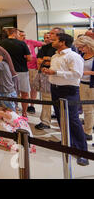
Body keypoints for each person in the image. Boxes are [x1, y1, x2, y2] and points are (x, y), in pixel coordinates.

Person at [42, 33, 89, 166]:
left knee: (73, 119)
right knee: (60, 117)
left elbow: (77, 74)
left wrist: (55, 73)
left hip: (69, 90)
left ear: (62, 42)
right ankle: (67, 142)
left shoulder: (74, 56)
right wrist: (49, 71)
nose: (51, 40)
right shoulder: (55, 56)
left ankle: (82, 151)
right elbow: (55, 71)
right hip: (55, 89)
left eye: (55, 39)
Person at [34, 27, 65, 130]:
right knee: (46, 98)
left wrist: (48, 59)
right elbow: (39, 61)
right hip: (46, 75)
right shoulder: (45, 47)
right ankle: (45, 121)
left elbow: (64, 63)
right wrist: (48, 60)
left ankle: (64, 125)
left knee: (62, 101)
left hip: (62, 78)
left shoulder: (67, 48)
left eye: (52, 34)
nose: (50, 35)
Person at [0, 28, 31, 117]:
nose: (19, 35)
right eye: (18, 33)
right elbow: (29, 58)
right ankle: (24, 113)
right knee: (24, 93)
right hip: (21, 70)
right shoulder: (22, 43)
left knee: (11, 93)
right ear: (14, 33)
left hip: (7, 72)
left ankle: (14, 112)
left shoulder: (1, 43)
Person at [18, 30, 44, 114]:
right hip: (21, 68)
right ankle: (20, 105)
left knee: (33, 87)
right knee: (22, 88)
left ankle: (32, 105)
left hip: (32, 68)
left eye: (24, 35)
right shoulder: (16, 44)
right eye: (21, 35)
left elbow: (43, 44)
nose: (24, 37)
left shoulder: (30, 42)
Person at [74, 35, 94, 141]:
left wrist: (86, 72)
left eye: (82, 47)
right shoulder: (82, 55)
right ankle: (88, 130)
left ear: (88, 45)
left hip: (92, 85)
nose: (80, 49)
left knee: (90, 110)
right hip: (82, 84)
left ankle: (89, 130)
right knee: (87, 109)